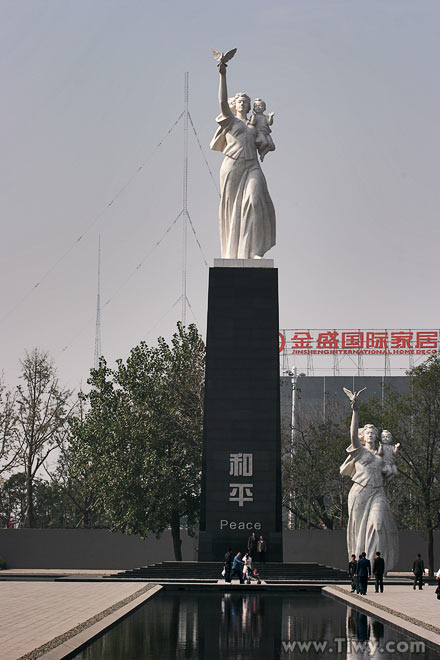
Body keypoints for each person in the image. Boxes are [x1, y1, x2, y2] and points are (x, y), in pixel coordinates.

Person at [210, 58, 276, 259]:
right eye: (239, 101)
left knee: (255, 200)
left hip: (252, 165)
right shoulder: (230, 121)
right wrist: (222, 74)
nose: (243, 104)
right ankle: (233, 253)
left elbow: (265, 140)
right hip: (233, 165)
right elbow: (221, 102)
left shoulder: (255, 124)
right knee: (233, 210)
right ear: (235, 104)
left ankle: (254, 250)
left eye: (246, 102)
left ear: (249, 106)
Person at [340, 389, 398, 572]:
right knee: (359, 530)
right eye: (368, 432)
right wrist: (355, 411)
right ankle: (359, 567)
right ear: (364, 436)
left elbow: (390, 473)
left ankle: (375, 566)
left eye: (373, 432)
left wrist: (392, 468)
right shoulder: (359, 451)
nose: (371, 434)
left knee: (377, 525)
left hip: (378, 492)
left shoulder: (383, 454)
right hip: (360, 492)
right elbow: (351, 436)